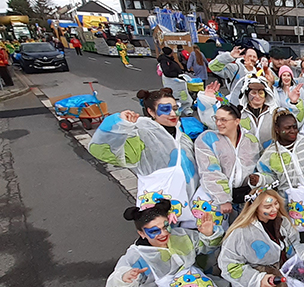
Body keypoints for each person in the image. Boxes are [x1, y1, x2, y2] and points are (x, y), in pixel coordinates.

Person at [89, 90, 199, 225]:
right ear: (151, 112)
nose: (172, 113)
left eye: (175, 108)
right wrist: (119, 123)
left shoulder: (182, 135)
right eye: (165, 109)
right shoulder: (141, 135)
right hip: (156, 209)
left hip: (188, 207)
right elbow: (99, 148)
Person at [194, 104, 262, 217]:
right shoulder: (207, 139)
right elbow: (210, 171)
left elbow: (258, 166)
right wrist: (223, 199)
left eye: (223, 120)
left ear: (237, 121)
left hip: (247, 198)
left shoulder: (251, 140)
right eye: (216, 119)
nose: (218, 123)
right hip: (216, 200)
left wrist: (256, 183)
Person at [255, 109, 304, 197]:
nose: (293, 131)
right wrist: (260, 179)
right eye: (287, 128)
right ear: (277, 129)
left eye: (295, 127)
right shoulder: (269, 154)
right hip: (289, 202)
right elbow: (271, 178)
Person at [158, 47, 193, 115]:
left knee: (182, 95)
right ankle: (178, 109)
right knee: (178, 96)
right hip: (174, 82)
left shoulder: (168, 60)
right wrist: (177, 75)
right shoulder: (165, 61)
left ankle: (184, 108)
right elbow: (167, 73)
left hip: (177, 81)